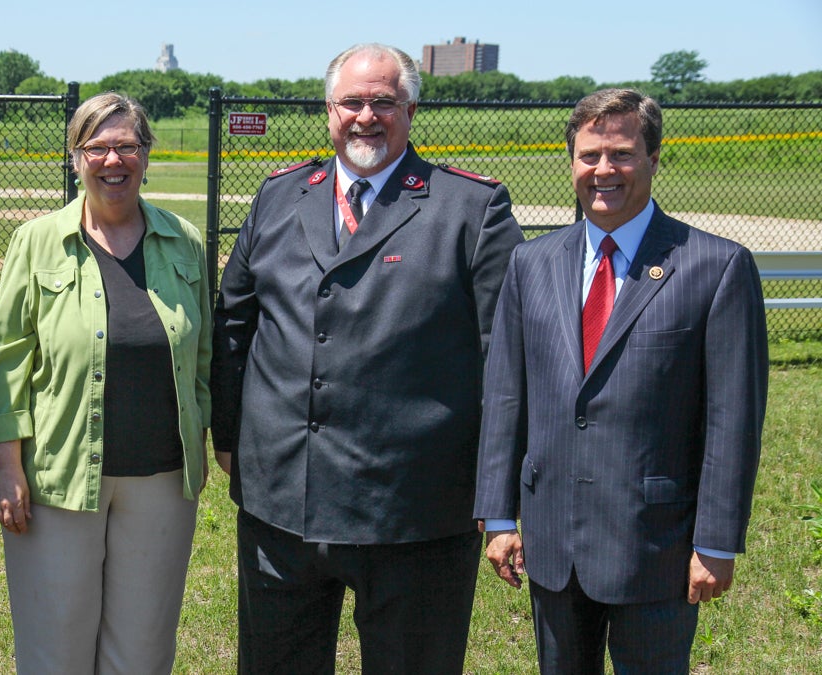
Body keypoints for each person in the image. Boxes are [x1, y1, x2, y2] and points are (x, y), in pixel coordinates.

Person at [211, 43, 524, 673]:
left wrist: (503, 496)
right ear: (329, 109)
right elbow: (234, 324)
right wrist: (230, 437)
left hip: (415, 510)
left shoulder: (471, 210)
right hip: (283, 505)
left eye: (384, 102)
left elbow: (509, 360)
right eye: (351, 102)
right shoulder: (279, 197)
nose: (365, 116)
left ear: (410, 109)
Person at [474, 88, 769, 673]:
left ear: (654, 158)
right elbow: (506, 395)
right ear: (571, 161)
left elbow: (732, 418)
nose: (603, 170)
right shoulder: (532, 263)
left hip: (656, 545)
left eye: (622, 154)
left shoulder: (716, 267)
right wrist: (500, 516)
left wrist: (715, 541)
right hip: (554, 544)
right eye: (589, 155)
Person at [0, 92, 211, 675]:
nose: (114, 161)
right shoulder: (36, 241)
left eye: (126, 146)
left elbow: (205, 355)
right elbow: (6, 355)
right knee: (55, 650)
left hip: (161, 478)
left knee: (143, 653)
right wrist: (8, 465)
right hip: (59, 478)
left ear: (146, 154)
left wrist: (206, 441)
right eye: (98, 148)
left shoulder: (184, 241)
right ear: (76, 158)